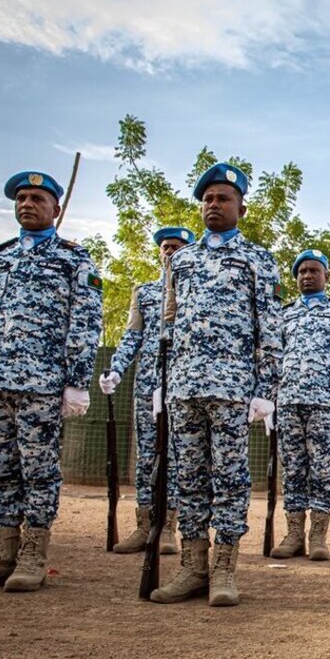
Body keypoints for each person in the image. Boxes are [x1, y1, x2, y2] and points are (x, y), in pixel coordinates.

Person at [0, 170, 103, 592]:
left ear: (56, 208)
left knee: (38, 470)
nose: (27, 204)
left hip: (43, 382)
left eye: (37, 198)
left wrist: (76, 380)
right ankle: (1, 553)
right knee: (1, 470)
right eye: (21, 198)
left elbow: (87, 323)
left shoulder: (74, 259)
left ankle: (33, 555)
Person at [149, 163, 283, 607]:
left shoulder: (257, 259)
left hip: (231, 387)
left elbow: (270, 329)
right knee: (187, 477)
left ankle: (225, 568)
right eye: (207, 198)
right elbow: (168, 327)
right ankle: (192, 566)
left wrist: (266, 389)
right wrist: (160, 384)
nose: (213, 204)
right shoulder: (181, 261)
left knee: (228, 479)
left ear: (241, 207)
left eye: (223, 198)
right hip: (184, 386)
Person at [100, 227, 195, 555]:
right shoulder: (145, 293)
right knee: (145, 458)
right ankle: (144, 525)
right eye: (166, 247)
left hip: (180, 388)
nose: (170, 252)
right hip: (146, 388)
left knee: (175, 456)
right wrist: (115, 369)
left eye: (177, 247)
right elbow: (131, 337)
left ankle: (168, 526)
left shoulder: (196, 294)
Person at [271, 249, 330, 561]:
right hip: (288, 402)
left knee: (322, 470)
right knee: (293, 470)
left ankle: (319, 535)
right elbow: (273, 359)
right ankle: (294, 533)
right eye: (302, 272)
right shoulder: (283, 315)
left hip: (325, 404)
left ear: (326, 276)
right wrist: (269, 398)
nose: (307, 276)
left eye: (313, 271)